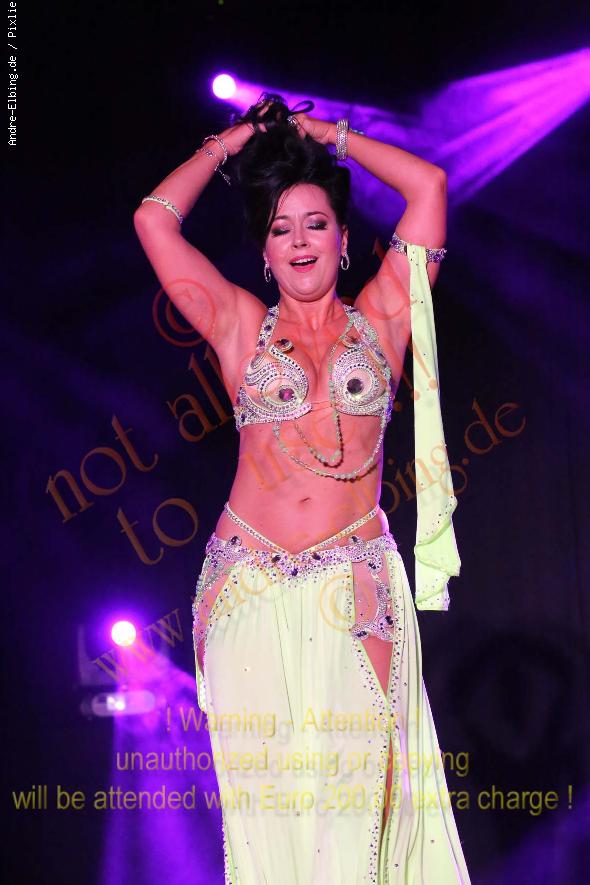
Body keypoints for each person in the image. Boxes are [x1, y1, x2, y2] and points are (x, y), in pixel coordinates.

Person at [134, 94, 470, 884]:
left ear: (345, 240)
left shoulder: (384, 315)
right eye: (281, 229)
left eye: (316, 224)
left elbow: (429, 186)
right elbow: (154, 220)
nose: (299, 241)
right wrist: (232, 143)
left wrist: (330, 136)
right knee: (269, 813)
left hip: (354, 577)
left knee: (360, 806)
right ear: (264, 251)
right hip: (246, 581)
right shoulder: (238, 325)